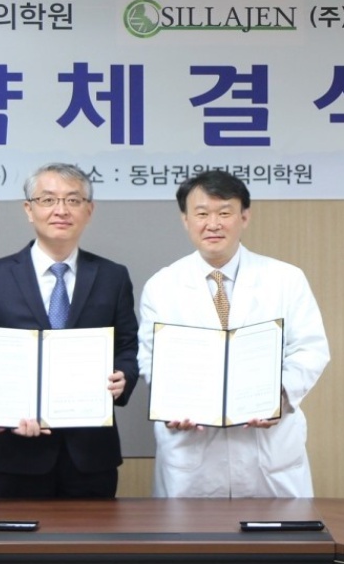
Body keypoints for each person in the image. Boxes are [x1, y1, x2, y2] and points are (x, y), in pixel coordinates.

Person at [138, 169, 330, 498]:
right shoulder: (162, 286)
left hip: (268, 451)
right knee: (190, 532)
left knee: (278, 531)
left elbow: (310, 350)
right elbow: (150, 359)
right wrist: (171, 404)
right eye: (201, 214)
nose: (213, 224)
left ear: (244, 217)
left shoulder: (286, 279)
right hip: (191, 452)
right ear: (185, 220)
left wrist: (279, 396)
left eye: (224, 213)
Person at [0, 162, 140, 499]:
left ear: (89, 210)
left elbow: (128, 347)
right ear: (29, 209)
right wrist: (5, 410)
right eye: (48, 199)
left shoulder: (112, 276)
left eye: (73, 200)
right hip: (16, 452)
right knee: (14, 537)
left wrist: (123, 376)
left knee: (93, 535)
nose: (61, 210)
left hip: (91, 454)